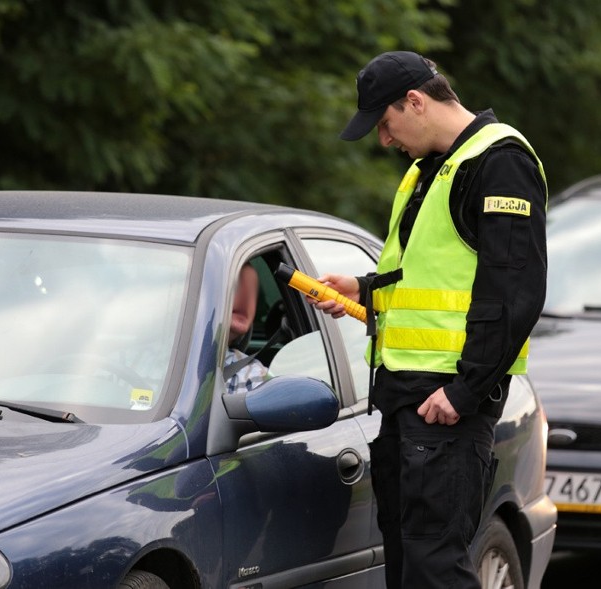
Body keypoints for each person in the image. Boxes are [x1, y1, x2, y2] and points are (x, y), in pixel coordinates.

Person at [312, 51, 547, 588]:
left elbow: (515, 294)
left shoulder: (499, 161)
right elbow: (432, 278)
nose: (384, 140)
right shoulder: (432, 169)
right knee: (409, 565)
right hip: (407, 397)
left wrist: (465, 391)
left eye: (385, 123)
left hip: (447, 404)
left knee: (434, 567)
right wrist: (364, 290)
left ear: (415, 102)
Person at [225, 262, 271, 394]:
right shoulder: (166, 364)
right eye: (236, 286)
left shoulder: (254, 377)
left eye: (252, 290)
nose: (246, 298)